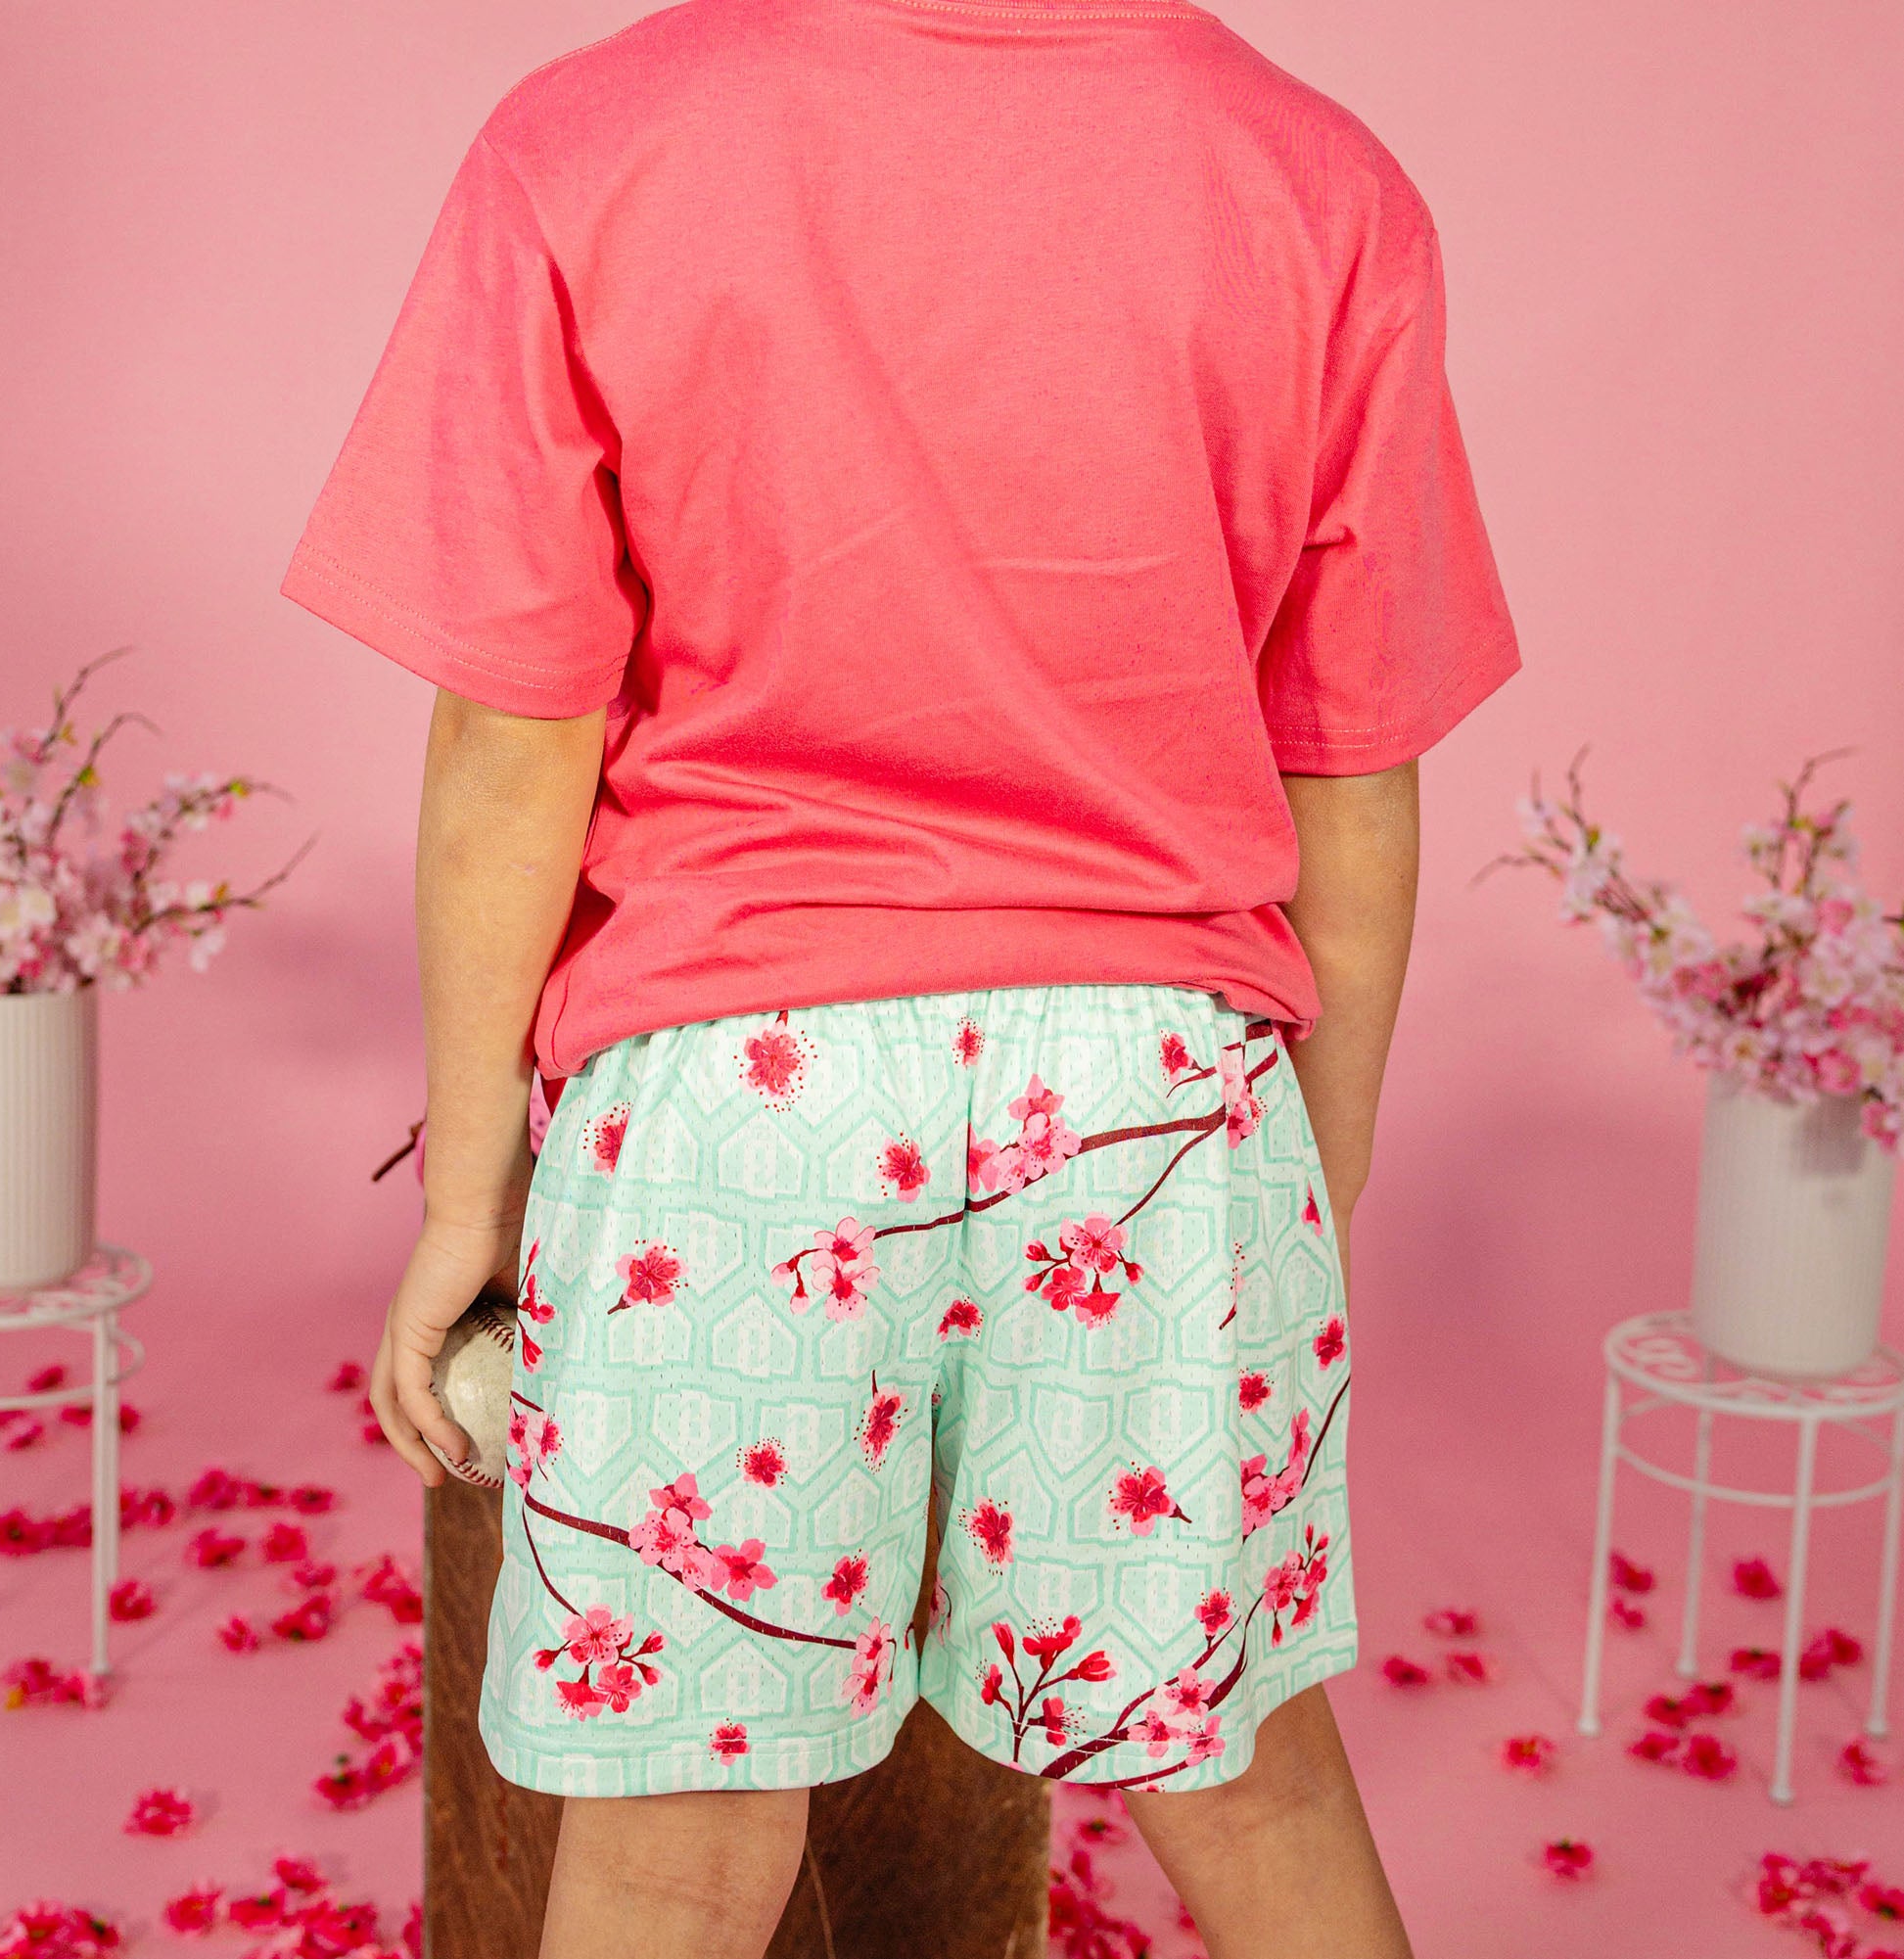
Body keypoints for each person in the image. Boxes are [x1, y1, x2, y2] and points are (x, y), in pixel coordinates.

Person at [282, 0, 1519, 1948]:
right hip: (1157, 1107)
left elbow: (509, 749)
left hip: (728, 1107)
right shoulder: (1314, 176)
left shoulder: (589, 140)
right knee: (1249, 1784)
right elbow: (1351, 789)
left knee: (672, 1840)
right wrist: (1303, 1182)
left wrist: (461, 1199)